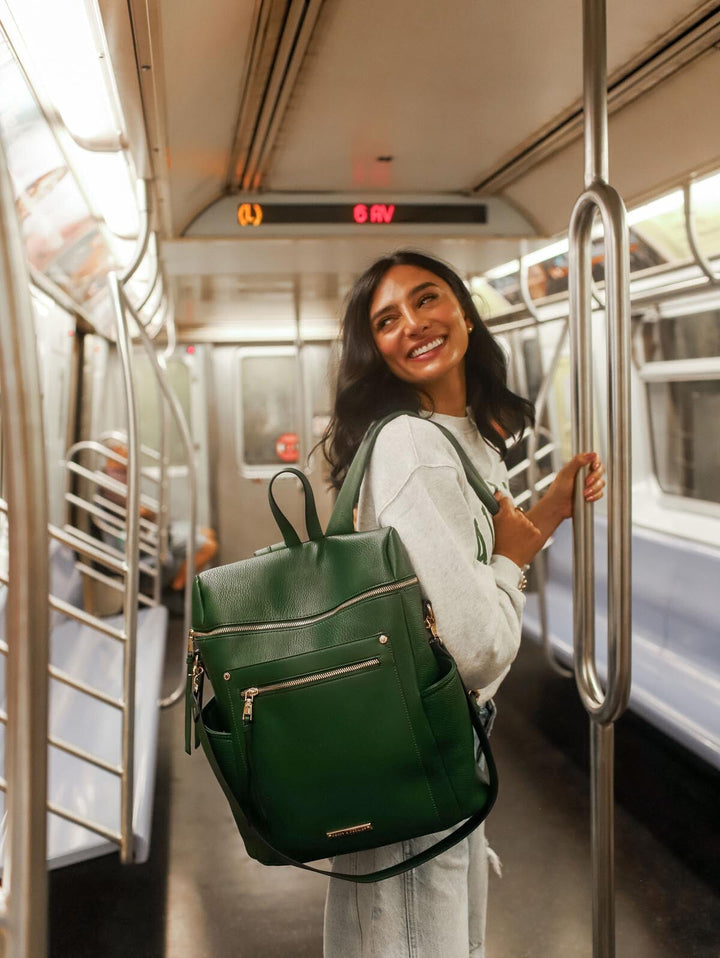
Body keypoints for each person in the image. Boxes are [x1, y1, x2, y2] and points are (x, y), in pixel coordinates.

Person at [320, 249, 605, 958]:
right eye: (387, 320)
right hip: (417, 749)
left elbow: (464, 567)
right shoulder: (413, 447)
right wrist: (512, 558)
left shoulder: (468, 438)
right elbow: (473, 644)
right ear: (375, 350)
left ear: (466, 315)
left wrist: (546, 512)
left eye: (428, 299)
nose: (413, 324)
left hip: (432, 743)